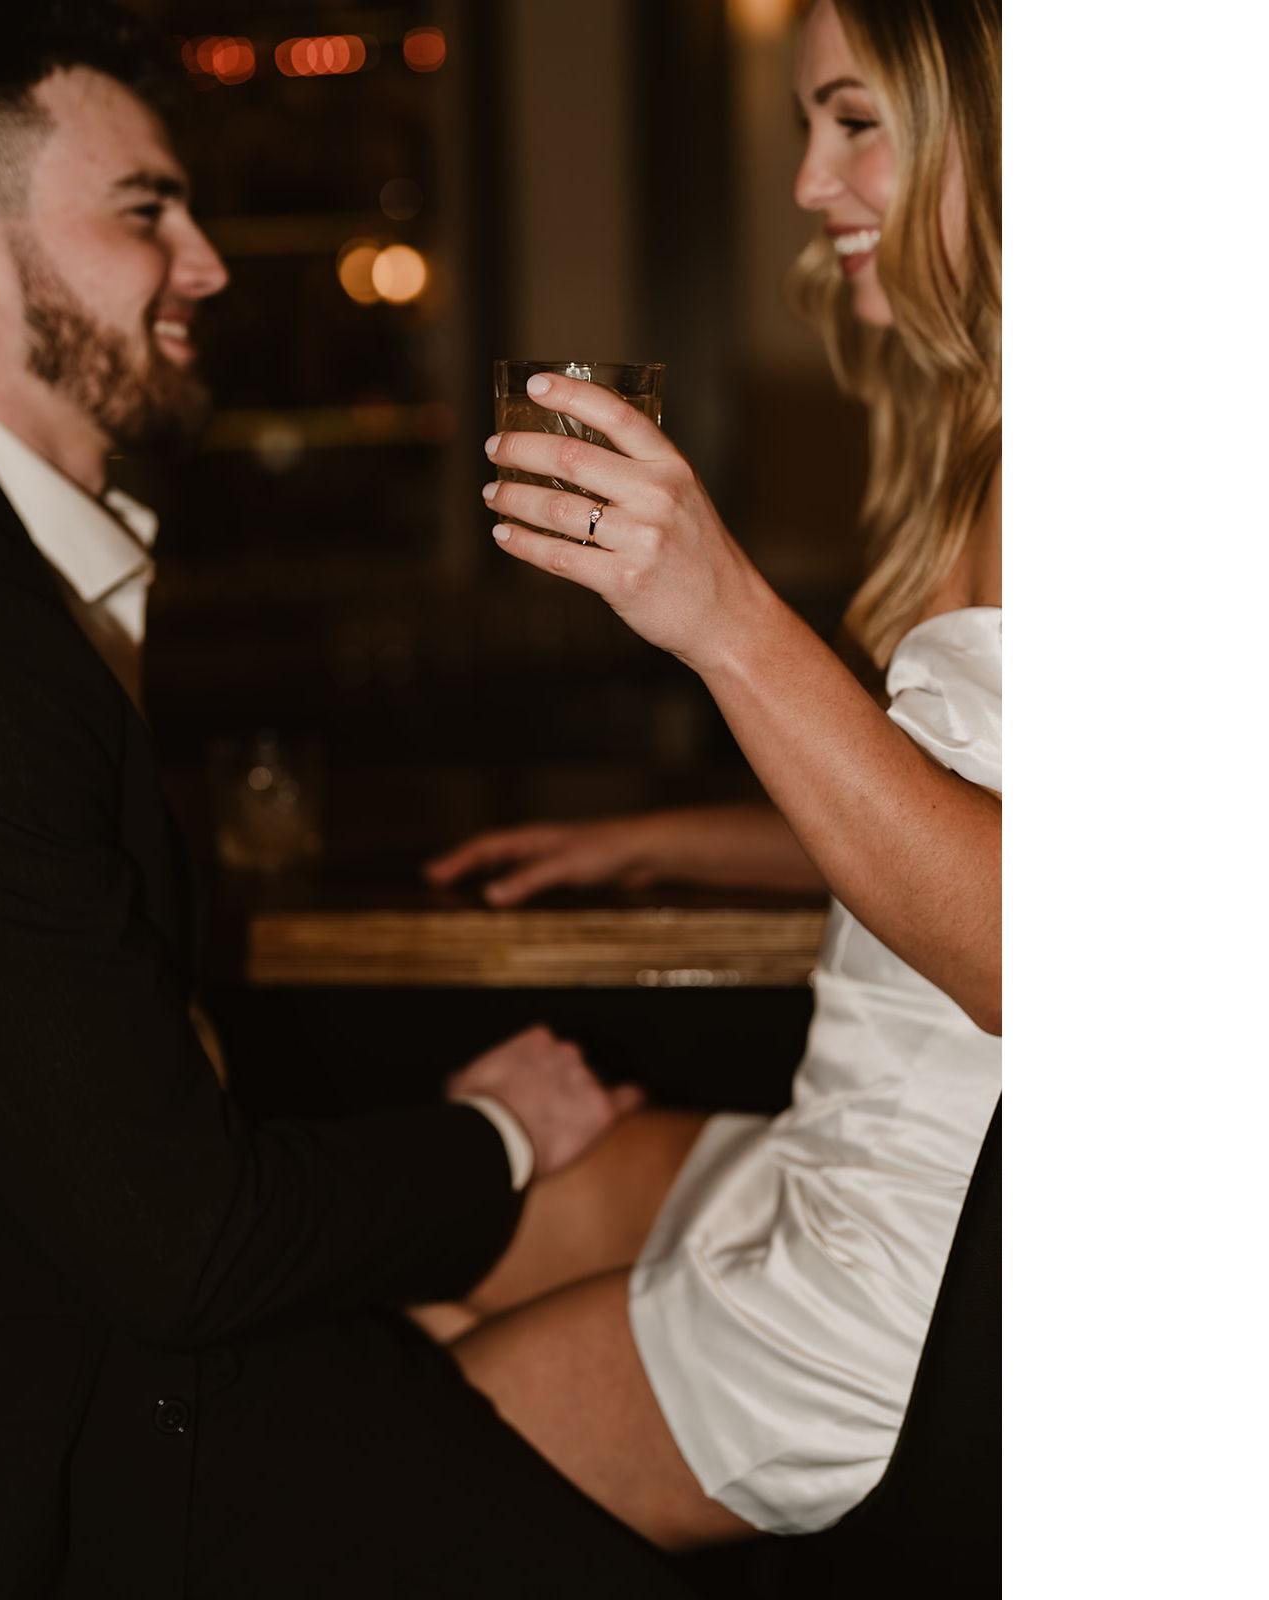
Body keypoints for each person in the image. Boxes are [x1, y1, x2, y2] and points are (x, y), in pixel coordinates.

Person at [0, 8, 694, 1595]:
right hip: (72, 1453)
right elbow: (185, 1246)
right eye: (146, 211)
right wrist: (501, 1130)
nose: (208, 264)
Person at [421, 0, 1002, 1554]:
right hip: (841, 1144)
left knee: (367, 1471)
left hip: (938, 1255)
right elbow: (946, 822)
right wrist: (656, 841)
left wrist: (723, 617)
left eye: (856, 120)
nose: (810, 182)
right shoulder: (982, 429)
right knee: (428, 1251)